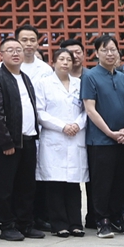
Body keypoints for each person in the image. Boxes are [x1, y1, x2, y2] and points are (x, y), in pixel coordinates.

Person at [0, 39, 42, 241]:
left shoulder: (25, 77)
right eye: (10, 50)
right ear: (1, 54)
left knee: (27, 185)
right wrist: (6, 142)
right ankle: (7, 225)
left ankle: (25, 223)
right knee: (6, 187)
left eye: (18, 50)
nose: (15, 53)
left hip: (28, 139)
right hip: (8, 143)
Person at [82, 34, 124, 238]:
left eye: (113, 50)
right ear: (97, 53)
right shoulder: (90, 76)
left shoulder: (122, 77)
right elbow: (90, 109)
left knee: (120, 182)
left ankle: (117, 218)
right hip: (100, 140)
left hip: (122, 138)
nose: (110, 54)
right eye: (105, 50)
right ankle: (102, 221)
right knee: (101, 183)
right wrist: (110, 133)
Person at [36, 49, 89, 237]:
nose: (65, 62)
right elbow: (40, 112)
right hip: (54, 137)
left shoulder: (79, 84)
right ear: (53, 62)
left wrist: (77, 124)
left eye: (69, 60)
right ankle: (59, 225)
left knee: (73, 184)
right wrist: (62, 126)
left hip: (75, 136)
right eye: (61, 59)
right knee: (55, 184)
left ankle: (75, 223)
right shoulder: (43, 84)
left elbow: (86, 109)